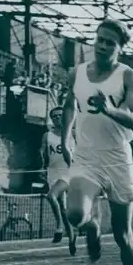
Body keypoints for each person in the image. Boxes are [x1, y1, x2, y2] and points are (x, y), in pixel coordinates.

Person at [60, 19, 133, 265]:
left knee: (123, 236)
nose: (103, 45)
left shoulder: (128, 76)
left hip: (118, 160)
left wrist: (109, 109)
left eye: (110, 42)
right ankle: (91, 226)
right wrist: (65, 138)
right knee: (73, 214)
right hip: (87, 156)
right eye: (99, 39)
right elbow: (69, 104)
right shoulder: (78, 73)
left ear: (120, 48)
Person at [39, 106, 77, 255]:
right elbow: (42, 151)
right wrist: (41, 163)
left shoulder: (72, 133)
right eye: (54, 116)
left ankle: (59, 227)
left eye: (60, 115)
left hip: (68, 172)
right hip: (52, 172)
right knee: (62, 207)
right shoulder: (47, 135)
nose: (57, 118)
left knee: (51, 196)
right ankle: (72, 238)